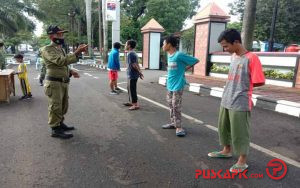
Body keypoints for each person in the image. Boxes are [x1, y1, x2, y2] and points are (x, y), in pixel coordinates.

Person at [208, 29, 265, 173]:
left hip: (241, 101)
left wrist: (244, 87)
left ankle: (242, 160)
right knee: (224, 127)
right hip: (226, 98)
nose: (225, 49)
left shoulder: (252, 58)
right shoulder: (233, 57)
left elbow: (259, 81)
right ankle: (226, 150)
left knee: (240, 132)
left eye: (226, 46)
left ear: (236, 42)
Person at [42, 25, 88, 139]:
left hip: (63, 82)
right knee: (55, 106)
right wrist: (77, 52)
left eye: (62, 34)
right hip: (54, 83)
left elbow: (63, 65)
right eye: (59, 34)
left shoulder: (60, 49)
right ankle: (55, 129)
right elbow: (60, 61)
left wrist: (71, 71)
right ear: (51, 36)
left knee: (63, 105)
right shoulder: (47, 49)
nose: (62, 36)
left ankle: (60, 123)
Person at [161, 35, 199, 137]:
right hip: (170, 84)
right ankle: (173, 123)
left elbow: (195, 60)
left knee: (176, 105)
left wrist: (184, 69)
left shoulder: (178, 55)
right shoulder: (169, 55)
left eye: (164, 44)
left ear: (169, 44)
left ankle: (179, 127)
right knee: (170, 104)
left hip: (178, 85)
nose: (162, 46)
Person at [123, 40, 143, 110]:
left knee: (132, 89)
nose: (125, 45)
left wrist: (139, 72)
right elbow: (136, 64)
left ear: (129, 45)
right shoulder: (132, 53)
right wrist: (140, 72)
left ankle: (135, 104)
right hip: (131, 74)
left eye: (126, 44)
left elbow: (134, 65)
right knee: (129, 88)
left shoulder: (131, 54)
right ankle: (132, 102)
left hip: (132, 75)